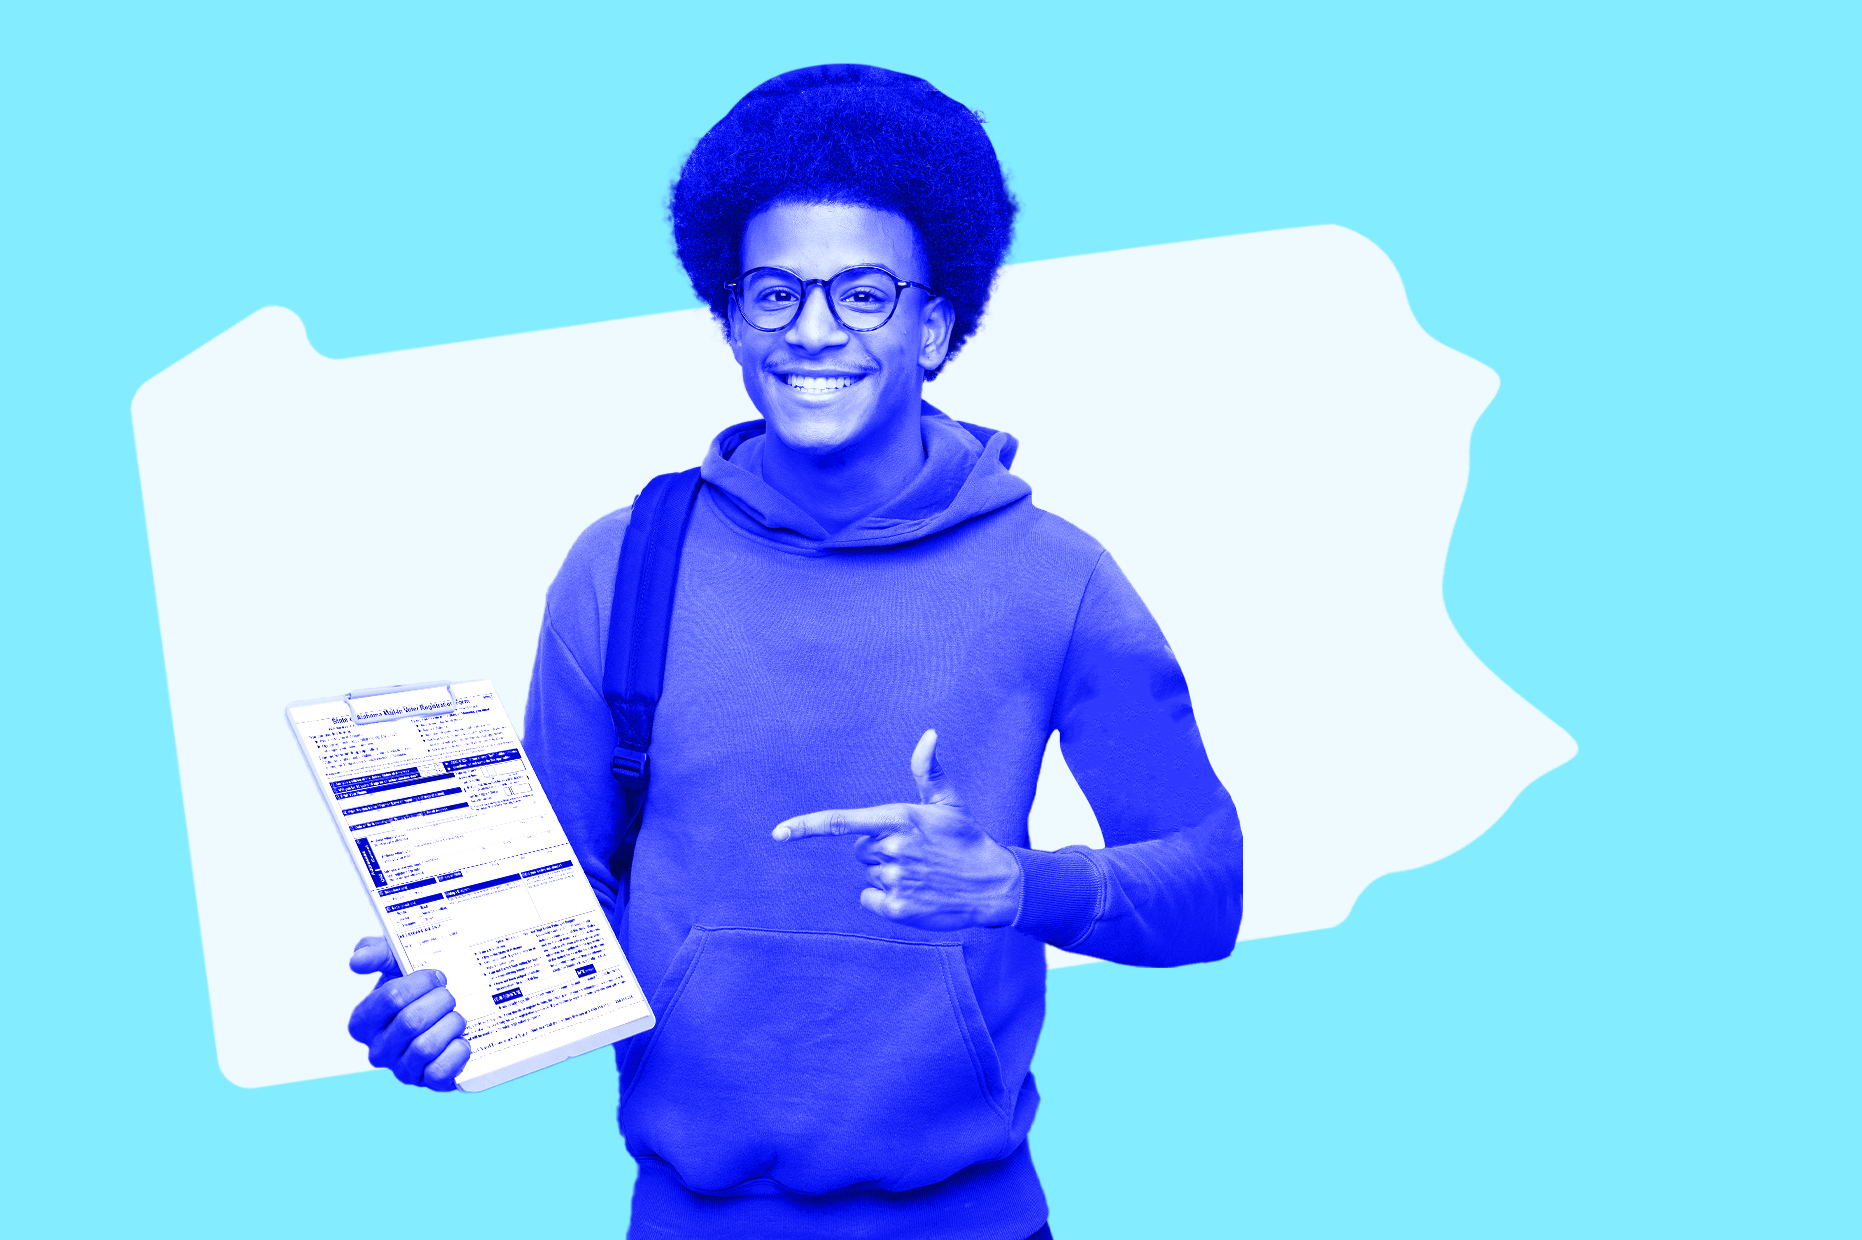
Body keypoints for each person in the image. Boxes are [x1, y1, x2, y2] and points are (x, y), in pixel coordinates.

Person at [345, 64, 1244, 1240]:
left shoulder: (1055, 577)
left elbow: (1208, 894)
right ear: (728, 317)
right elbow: (556, 912)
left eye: (863, 294)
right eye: (773, 293)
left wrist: (1018, 887)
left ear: (935, 326)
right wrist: (456, 1008)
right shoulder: (622, 567)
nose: (811, 331)